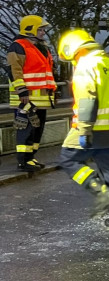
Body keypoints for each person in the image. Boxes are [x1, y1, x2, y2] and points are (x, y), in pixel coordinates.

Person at [56, 30, 109, 231]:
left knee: (69, 159)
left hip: (95, 127)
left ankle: (100, 192)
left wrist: (84, 130)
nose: (73, 61)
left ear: (74, 49)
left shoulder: (86, 66)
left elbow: (86, 100)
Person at [6, 15, 58, 172]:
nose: (43, 32)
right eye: (40, 29)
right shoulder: (18, 46)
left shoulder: (42, 47)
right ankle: (24, 161)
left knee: (37, 129)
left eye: (43, 29)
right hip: (26, 98)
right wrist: (22, 91)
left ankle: (31, 157)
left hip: (41, 99)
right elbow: (14, 70)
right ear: (30, 29)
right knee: (26, 129)